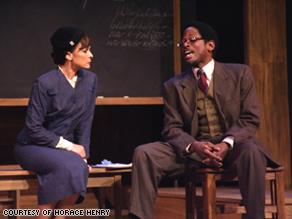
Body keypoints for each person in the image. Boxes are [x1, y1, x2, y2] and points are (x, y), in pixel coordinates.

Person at [128, 21, 279, 219]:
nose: (185, 45)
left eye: (191, 40)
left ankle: (256, 216)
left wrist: (226, 144)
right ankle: (139, 216)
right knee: (144, 153)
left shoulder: (239, 74)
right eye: (182, 43)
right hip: (194, 151)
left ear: (210, 45)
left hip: (232, 147)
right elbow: (171, 128)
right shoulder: (173, 85)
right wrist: (194, 145)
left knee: (251, 151)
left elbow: (250, 118)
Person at [14, 26, 97, 219]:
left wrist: (83, 155)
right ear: (68, 55)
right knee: (71, 165)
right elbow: (33, 129)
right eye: (84, 51)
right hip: (33, 146)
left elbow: (86, 120)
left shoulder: (90, 80)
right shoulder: (44, 83)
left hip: (66, 153)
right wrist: (71, 148)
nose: (91, 55)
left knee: (77, 165)